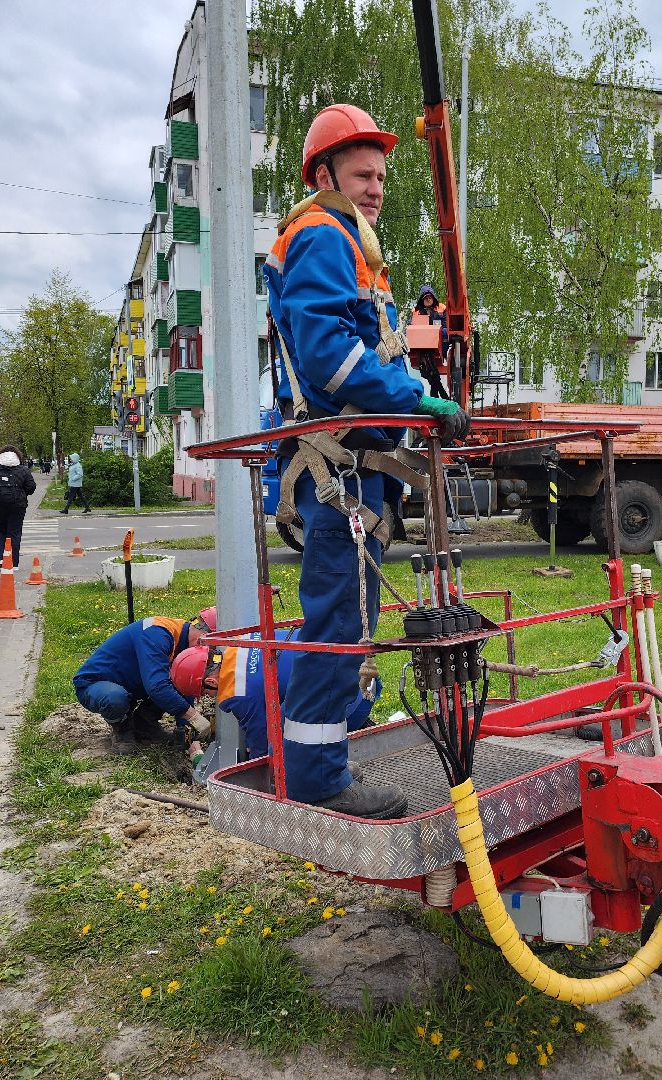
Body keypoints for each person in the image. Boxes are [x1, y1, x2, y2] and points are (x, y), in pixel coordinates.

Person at [261, 103, 470, 819]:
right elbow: (330, 356)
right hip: (338, 465)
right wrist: (415, 402)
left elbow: (359, 350)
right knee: (336, 623)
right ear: (325, 175)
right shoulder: (322, 232)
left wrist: (414, 395)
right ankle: (319, 776)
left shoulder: (349, 241)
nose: (376, 186)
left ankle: (335, 743)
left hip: (352, 465)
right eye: (362, 173)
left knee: (346, 617)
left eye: (381, 174)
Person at [171, 629, 377, 763]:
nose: (209, 697)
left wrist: (257, 773)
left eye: (205, 693)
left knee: (289, 747)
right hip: (365, 677)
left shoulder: (238, 691)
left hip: (349, 703)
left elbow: (263, 739)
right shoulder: (240, 644)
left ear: (211, 682)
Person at [73, 607, 218, 754]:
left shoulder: (184, 639)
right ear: (204, 636)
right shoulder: (157, 634)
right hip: (96, 684)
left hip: (133, 685)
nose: (210, 655)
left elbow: (185, 685)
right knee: (116, 698)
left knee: (171, 683)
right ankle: (121, 728)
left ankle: (144, 724)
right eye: (213, 648)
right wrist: (195, 718)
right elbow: (157, 687)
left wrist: (189, 737)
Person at [0, 444, 37, 567]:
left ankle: (1, 559)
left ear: (0, 454)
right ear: (17, 455)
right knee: (15, 532)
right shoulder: (23, 469)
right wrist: (21, 494)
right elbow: (31, 488)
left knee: (0, 531)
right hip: (18, 505)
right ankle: (14, 563)